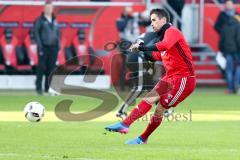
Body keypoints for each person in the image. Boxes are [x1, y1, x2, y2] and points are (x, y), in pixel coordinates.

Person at [105, 8, 196, 144]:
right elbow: (155, 55)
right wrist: (138, 50)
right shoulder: (165, 37)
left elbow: (163, 46)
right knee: (149, 98)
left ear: (164, 20)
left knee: (160, 109)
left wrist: (143, 48)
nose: (151, 23)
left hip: (184, 80)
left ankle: (143, 138)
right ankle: (125, 124)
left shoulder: (172, 32)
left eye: (154, 20)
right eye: (151, 20)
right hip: (170, 78)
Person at [34, 1, 60, 95]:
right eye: (47, 8)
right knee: (41, 68)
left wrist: (58, 47)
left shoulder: (55, 20)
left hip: (53, 48)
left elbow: (57, 35)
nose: (49, 9)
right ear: (44, 8)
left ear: (52, 9)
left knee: (51, 69)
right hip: (43, 48)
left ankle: (48, 88)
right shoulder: (39, 20)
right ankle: (38, 88)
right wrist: (40, 47)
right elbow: (36, 34)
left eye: (50, 8)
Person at [214, 0, 240, 94]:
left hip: (227, 49)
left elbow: (221, 40)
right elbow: (238, 38)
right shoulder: (237, 25)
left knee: (229, 69)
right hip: (236, 49)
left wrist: (221, 49)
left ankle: (230, 88)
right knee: (237, 68)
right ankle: (235, 86)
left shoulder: (224, 25)